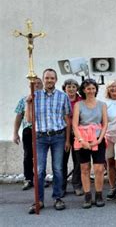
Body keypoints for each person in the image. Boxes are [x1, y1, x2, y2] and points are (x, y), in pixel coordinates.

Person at [25, 69, 71, 214]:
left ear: (56, 80)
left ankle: (57, 197)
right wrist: (28, 103)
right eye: (47, 78)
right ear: (43, 80)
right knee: (39, 170)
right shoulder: (35, 96)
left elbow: (67, 119)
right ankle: (38, 200)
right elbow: (29, 119)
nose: (49, 80)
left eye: (52, 78)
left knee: (57, 169)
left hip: (58, 136)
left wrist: (68, 139)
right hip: (40, 137)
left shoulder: (63, 96)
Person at [72, 79, 108, 209]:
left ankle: (98, 194)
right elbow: (75, 125)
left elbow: (105, 124)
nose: (91, 91)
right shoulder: (78, 105)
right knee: (85, 168)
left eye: (93, 88)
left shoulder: (102, 105)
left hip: (98, 138)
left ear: (96, 90)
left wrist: (99, 139)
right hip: (83, 139)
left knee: (99, 169)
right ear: (83, 90)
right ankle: (87, 196)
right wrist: (82, 141)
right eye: (88, 88)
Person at [13, 77, 43, 191]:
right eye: (34, 84)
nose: (37, 86)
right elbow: (18, 117)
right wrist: (15, 133)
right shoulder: (24, 100)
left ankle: (40, 178)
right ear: (29, 86)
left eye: (39, 83)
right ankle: (28, 178)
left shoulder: (46, 99)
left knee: (40, 155)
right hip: (28, 130)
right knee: (28, 155)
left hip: (41, 130)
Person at [61, 79, 83, 197]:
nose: (71, 89)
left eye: (74, 86)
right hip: (62, 133)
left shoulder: (81, 101)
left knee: (78, 161)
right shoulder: (60, 100)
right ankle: (61, 186)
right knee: (62, 161)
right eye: (68, 86)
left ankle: (77, 185)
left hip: (78, 134)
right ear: (64, 88)